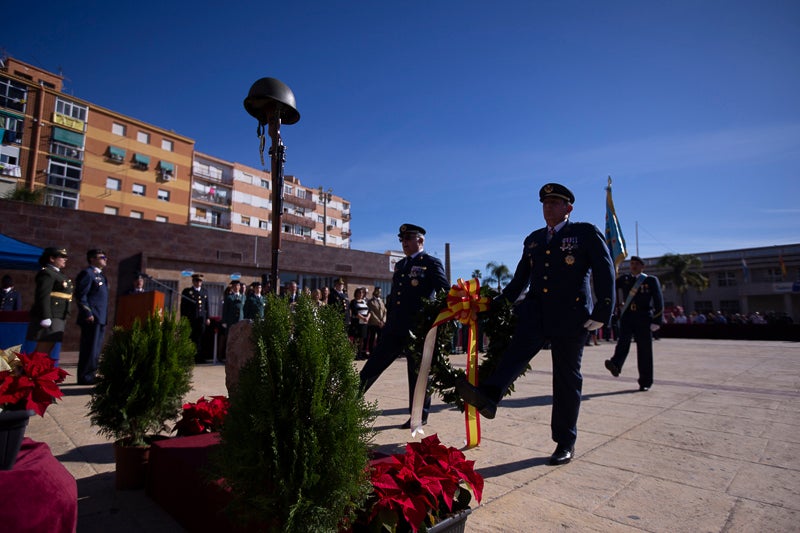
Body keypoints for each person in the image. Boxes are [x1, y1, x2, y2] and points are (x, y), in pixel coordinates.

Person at [454, 183, 615, 466]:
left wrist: (603, 309)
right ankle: (490, 397)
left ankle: (565, 441)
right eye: (545, 203)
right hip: (535, 312)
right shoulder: (534, 239)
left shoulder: (584, 233)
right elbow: (518, 282)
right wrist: (490, 307)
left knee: (566, 377)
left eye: (555, 203)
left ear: (568, 208)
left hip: (571, 315)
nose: (548, 207)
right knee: (514, 354)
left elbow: (605, 269)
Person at [359, 223, 449, 429]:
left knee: (417, 375)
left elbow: (444, 292)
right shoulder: (401, 266)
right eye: (402, 239)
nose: (405, 242)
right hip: (394, 328)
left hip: (417, 329)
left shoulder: (431, 263)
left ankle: (418, 417)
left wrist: (435, 321)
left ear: (420, 240)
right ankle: (346, 404)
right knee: (371, 366)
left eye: (408, 238)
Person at [604, 256, 664, 392]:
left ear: (643, 266)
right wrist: (610, 271)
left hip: (644, 318)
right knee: (623, 342)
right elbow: (611, 286)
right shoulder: (625, 279)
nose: (633, 266)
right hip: (628, 316)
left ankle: (645, 381)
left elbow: (659, 300)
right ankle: (615, 364)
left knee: (644, 350)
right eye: (631, 264)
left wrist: (657, 320)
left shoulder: (650, 280)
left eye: (636, 264)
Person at [25, 247, 74, 357]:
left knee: (49, 347)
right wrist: (45, 316)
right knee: (42, 348)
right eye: (62, 257)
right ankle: (30, 371)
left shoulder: (59, 274)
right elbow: (43, 295)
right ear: (52, 258)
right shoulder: (47, 273)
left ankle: (40, 370)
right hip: (51, 314)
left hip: (59, 314)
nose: (65, 259)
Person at [74, 249, 110, 384]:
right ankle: (85, 376)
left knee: (95, 348)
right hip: (92, 317)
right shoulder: (88, 274)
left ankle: (91, 374)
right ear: (92, 259)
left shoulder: (101, 276)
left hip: (100, 317)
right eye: (102, 257)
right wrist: (87, 312)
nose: (105, 259)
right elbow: (81, 295)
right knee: (89, 348)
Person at [181, 273, 210, 363]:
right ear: (193, 281)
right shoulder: (187, 291)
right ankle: (190, 357)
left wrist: (207, 318)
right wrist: (183, 318)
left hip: (201, 319)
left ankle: (200, 357)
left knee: (201, 338)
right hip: (191, 319)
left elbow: (207, 306)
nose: (198, 283)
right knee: (191, 338)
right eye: (196, 281)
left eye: (200, 281)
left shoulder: (204, 291)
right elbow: (183, 307)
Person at [349, 287, 371, 359]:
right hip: (356, 322)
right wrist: (362, 318)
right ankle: (354, 354)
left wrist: (367, 317)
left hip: (364, 323)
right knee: (356, 339)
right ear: (356, 293)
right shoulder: (353, 302)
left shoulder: (365, 301)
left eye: (362, 293)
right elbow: (355, 312)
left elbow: (369, 311)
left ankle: (360, 354)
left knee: (362, 339)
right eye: (359, 292)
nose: (361, 294)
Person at [366, 287, 386, 354]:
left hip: (381, 323)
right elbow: (371, 312)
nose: (379, 293)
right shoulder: (370, 301)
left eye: (380, 291)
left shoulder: (381, 301)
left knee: (380, 338)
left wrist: (383, 320)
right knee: (372, 337)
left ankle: (378, 352)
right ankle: (371, 352)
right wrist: (378, 321)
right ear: (374, 291)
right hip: (373, 323)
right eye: (377, 291)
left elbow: (385, 311)